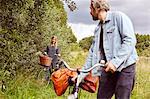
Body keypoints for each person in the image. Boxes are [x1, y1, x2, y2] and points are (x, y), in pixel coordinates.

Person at [80, 0, 138, 99]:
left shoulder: (118, 17)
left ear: (98, 8)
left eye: (91, 8)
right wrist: (80, 76)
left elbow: (130, 40)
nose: (90, 12)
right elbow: (92, 53)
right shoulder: (98, 29)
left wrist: (115, 62)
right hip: (108, 69)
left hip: (125, 68)